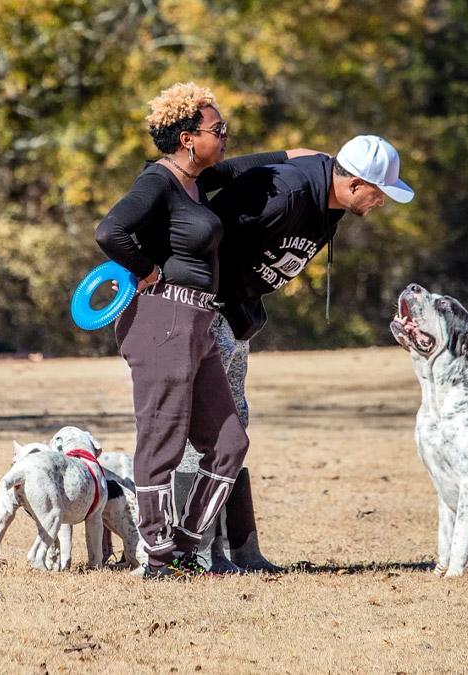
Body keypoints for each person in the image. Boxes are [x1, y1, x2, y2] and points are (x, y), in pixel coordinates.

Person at [94, 82, 318, 578]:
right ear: (187, 138)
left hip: (197, 324)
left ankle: (186, 545)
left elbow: (240, 168)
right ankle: (157, 558)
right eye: (218, 129)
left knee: (229, 442)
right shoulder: (158, 182)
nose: (225, 135)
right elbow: (110, 231)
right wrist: (149, 270)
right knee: (163, 440)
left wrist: (290, 154)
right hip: (161, 320)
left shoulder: (197, 180)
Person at [185, 135, 414, 571]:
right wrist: (199, 309)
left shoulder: (329, 200)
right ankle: (193, 551)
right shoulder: (285, 193)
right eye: (380, 191)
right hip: (206, 311)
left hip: (237, 315)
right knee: (206, 430)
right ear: (354, 184)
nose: (383, 201)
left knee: (236, 424)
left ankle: (239, 550)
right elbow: (202, 230)